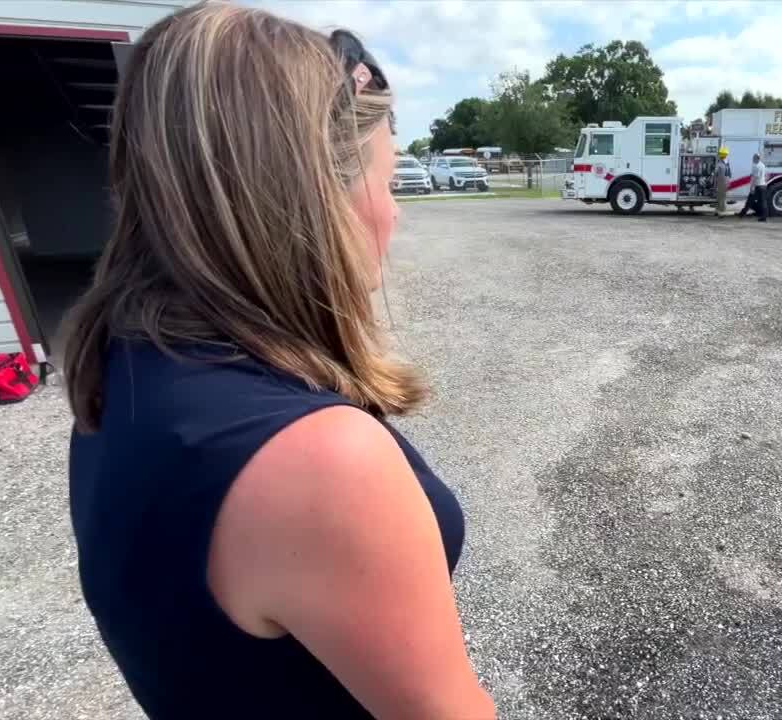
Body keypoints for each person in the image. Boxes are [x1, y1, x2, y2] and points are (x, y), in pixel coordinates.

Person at [62, 4, 495, 719]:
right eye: (384, 184)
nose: (394, 214)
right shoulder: (319, 461)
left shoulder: (116, 371)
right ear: (314, 199)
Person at [740, 152, 769, 221]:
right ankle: (764, 217)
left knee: (749, 200)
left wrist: (752, 187)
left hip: (757, 186)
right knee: (763, 202)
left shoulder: (756, 166)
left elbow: (755, 177)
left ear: (756, 158)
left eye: (753, 158)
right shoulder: (762, 165)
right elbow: (766, 175)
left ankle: (742, 214)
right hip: (763, 185)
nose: (752, 159)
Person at [714, 146, 732, 217]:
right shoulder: (721, 164)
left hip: (723, 183)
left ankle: (717, 210)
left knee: (720, 197)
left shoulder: (723, 164)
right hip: (722, 183)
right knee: (722, 198)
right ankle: (720, 212)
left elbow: (728, 174)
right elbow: (716, 173)